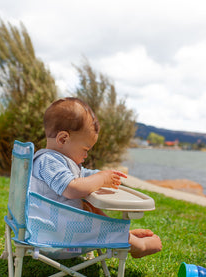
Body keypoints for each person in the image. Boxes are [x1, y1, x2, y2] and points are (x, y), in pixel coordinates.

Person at [30, 97, 162, 258]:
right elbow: (72, 188)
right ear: (63, 139)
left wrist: (104, 176)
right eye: (85, 149)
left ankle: (124, 237)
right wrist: (101, 179)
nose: (86, 155)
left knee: (91, 209)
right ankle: (136, 244)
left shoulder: (57, 161)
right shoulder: (48, 161)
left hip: (55, 231)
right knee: (89, 209)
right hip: (57, 239)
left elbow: (81, 175)